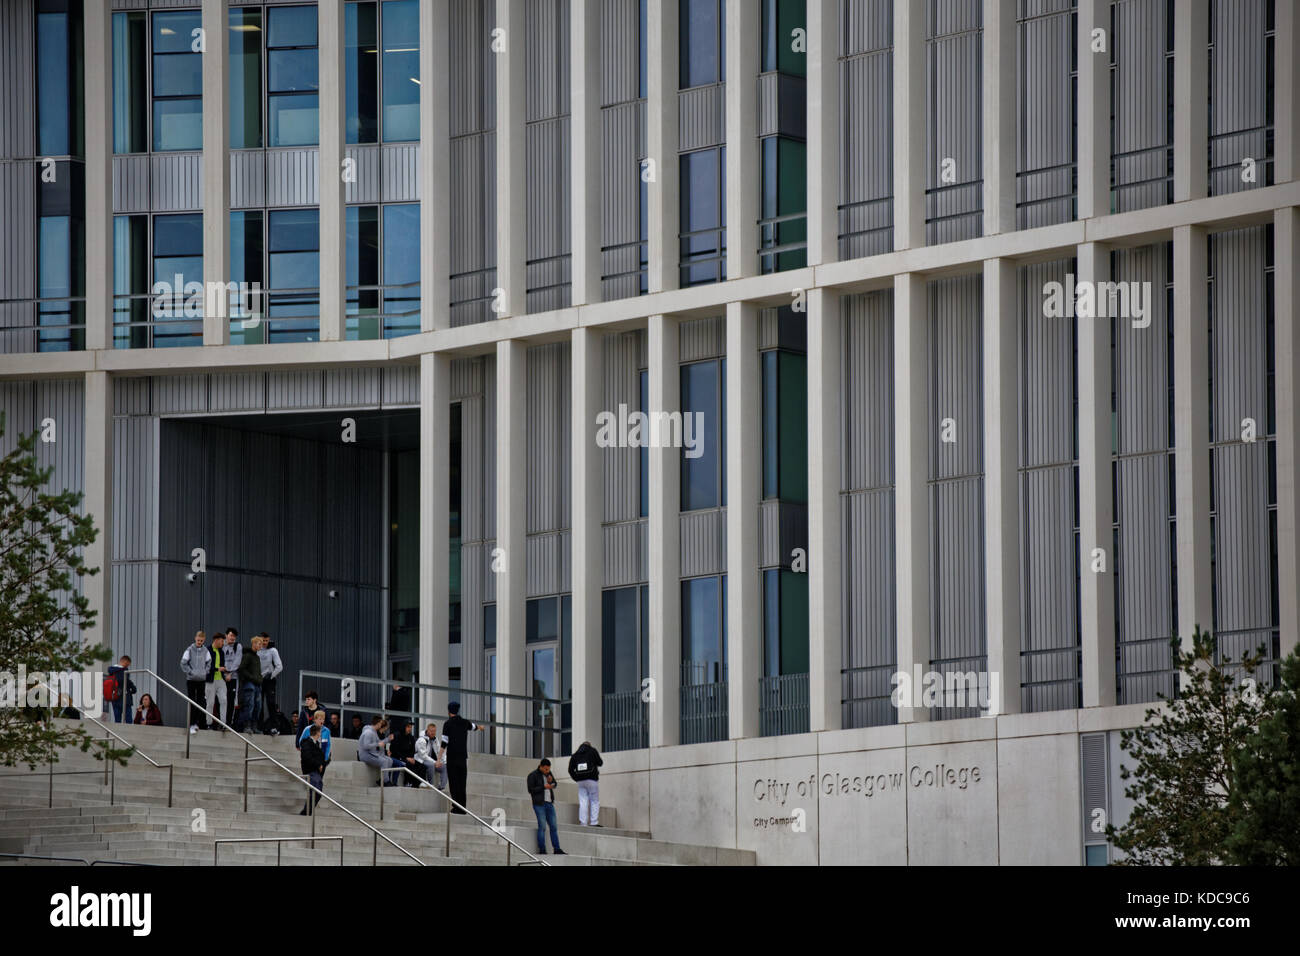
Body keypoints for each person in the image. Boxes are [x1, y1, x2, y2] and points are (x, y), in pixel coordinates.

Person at [441, 702, 485, 813]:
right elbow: (474, 727)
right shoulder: (465, 722)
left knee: (454, 783)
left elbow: (444, 743)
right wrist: (480, 727)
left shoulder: (447, 724)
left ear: (449, 711)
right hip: (462, 758)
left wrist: (438, 758)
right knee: (461, 783)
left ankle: (456, 807)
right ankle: (463, 807)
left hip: (452, 757)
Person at [525, 759, 565, 855]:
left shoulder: (548, 773)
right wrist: (544, 787)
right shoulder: (532, 775)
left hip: (549, 803)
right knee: (542, 827)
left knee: (554, 827)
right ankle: (542, 849)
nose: (547, 771)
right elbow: (531, 790)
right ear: (541, 766)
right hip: (539, 804)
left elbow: (555, 784)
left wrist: (552, 783)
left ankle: (557, 849)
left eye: (548, 769)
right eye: (546, 769)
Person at [357, 716, 403, 786]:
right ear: (378, 723)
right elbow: (366, 746)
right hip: (365, 755)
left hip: (372, 753)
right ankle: (386, 782)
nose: (381, 725)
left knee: (389, 760)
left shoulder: (374, 732)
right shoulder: (368, 732)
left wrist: (388, 739)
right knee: (384, 761)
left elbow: (380, 742)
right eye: (381, 723)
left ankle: (382, 779)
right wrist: (377, 744)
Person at [180, 630, 211, 733]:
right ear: (195, 638)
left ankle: (200, 723)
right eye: (198, 640)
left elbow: (209, 663)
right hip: (191, 680)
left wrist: (205, 672)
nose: (199, 642)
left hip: (201, 680)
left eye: (201, 641)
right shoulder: (189, 650)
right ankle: (191, 724)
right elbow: (183, 663)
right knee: (192, 702)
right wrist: (190, 672)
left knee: (201, 702)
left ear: (204, 640)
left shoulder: (206, 651)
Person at [568, 740, 603, 827]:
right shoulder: (592, 751)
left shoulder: (575, 754)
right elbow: (600, 762)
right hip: (591, 780)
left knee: (583, 801)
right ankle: (594, 822)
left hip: (580, 781)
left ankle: (583, 823)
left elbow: (570, 770)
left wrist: (576, 778)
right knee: (594, 800)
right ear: (589, 745)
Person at [256, 634, 284, 732]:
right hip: (259, 680)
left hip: (269, 680)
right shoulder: (256, 650)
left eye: (266, 640)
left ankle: (274, 726)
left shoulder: (273, 650)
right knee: (259, 703)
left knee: (271, 703)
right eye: (263, 640)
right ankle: (259, 727)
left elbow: (279, 666)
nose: (264, 643)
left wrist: (271, 675)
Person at [236, 636, 263, 733]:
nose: (260, 646)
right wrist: (252, 678)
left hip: (257, 685)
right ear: (254, 644)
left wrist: (259, 679)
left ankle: (254, 726)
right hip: (249, 684)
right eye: (259, 644)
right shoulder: (247, 655)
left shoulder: (257, 657)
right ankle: (246, 726)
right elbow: (241, 669)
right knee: (249, 705)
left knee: (258, 706)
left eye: (261, 644)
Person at [299, 724, 328, 816]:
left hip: (316, 772)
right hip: (311, 771)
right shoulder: (306, 742)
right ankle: (306, 811)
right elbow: (306, 757)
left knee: (318, 792)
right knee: (316, 791)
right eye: (320, 732)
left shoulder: (316, 744)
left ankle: (307, 811)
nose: (320, 734)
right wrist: (318, 765)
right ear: (317, 732)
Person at [414, 722, 448, 790]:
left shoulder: (436, 740)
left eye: (434, 731)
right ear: (427, 730)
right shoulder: (422, 740)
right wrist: (435, 762)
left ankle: (441, 787)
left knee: (445, 767)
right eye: (431, 731)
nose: (433, 733)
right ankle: (430, 784)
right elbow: (423, 756)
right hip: (421, 760)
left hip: (432, 761)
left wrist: (442, 761)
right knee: (431, 765)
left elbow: (440, 752)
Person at [204, 633, 227, 730]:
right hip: (210, 680)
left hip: (220, 679)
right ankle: (209, 723)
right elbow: (205, 667)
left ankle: (223, 724)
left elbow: (222, 665)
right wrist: (217, 669)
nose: (223, 643)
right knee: (210, 702)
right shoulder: (207, 651)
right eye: (222, 641)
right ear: (216, 640)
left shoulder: (221, 652)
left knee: (224, 700)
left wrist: (225, 673)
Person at [105, 656, 137, 724]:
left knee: (117, 719)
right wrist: (133, 687)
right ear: (125, 661)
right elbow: (125, 681)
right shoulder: (123, 671)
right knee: (128, 719)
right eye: (127, 664)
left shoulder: (112, 671)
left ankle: (117, 733)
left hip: (115, 697)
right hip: (125, 697)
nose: (127, 666)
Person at [389, 719, 419, 786]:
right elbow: (394, 750)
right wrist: (406, 758)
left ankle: (418, 784)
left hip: (408, 758)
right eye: (408, 727)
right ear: (404, 727)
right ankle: (407, 783)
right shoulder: (397, 735)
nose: (410, 729)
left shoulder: (411, 738)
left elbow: (412, 751)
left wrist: (411, 758)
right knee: (409, 764)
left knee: (420, 765)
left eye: (411, 727)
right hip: (398, 757)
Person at [222, 629, 242, 724]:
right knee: (220, 700)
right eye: (231, 635)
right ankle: (220, 722)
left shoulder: (238, 646)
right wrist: (223, 674)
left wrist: (230, 673)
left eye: (234, 636)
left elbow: (237, 661)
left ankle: (228, 723)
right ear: (226, 635)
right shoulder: (221, 645)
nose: (233, 638)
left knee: (231, 700)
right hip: (221, 677)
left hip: (232, 677)